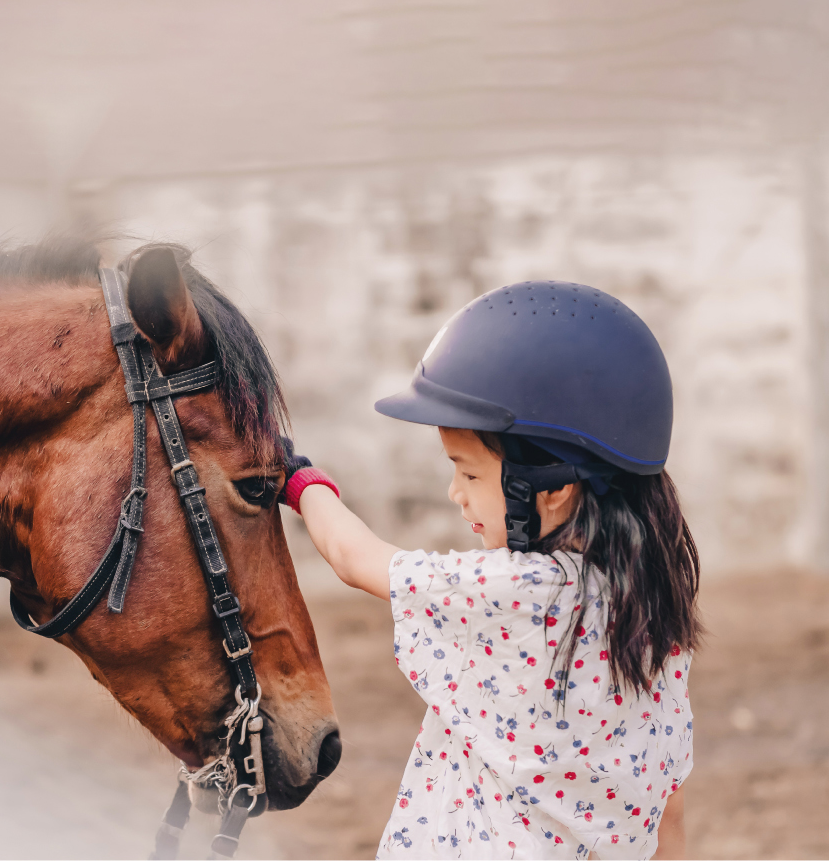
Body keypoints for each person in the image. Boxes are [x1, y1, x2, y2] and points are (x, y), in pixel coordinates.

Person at [279, 281, 702, 859]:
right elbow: (667, 803)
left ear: (553, 491)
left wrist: (298, 479)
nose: (455, 493)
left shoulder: (515, 592)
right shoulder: (649, 607)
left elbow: (355, 559)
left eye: (470, 474)